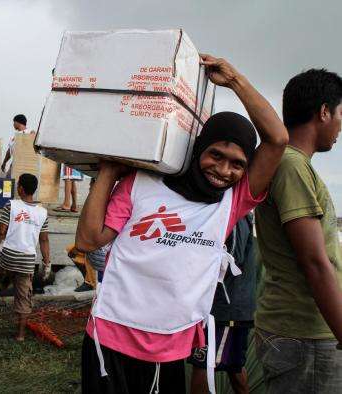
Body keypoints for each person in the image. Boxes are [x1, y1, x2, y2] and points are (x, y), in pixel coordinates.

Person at [76, 54, 288, 394]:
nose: (224, 171)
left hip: (171, 349)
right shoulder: (142, 184)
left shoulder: (232, 202)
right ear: (200, 147)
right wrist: (109, 173)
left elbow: (277, 140)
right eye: (216, 155)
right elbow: (88, 240)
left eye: (237, 164)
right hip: (111, 336)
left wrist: (235, 80)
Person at [254, 69, 342, 393]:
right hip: (306, 336)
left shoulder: (293, 164)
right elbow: (314, 262)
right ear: (323, 112)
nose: (340, 127)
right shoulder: (292, 166)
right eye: (341, 114)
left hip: (303, 335)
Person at [189, 214, 256, 394]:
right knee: (233, 366)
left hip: (225, 309)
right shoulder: (233, 215)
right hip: (224, 307)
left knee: (203, 364)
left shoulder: (235, 216)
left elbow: (233, 257)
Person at [0, 173, 51, 341]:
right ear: (34, 190)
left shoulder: (11, 206)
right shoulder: (42, 212)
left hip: (9, 255)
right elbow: (44, 239)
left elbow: (1, 231)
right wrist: (47, 262)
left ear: (20, 188)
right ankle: (20, 335)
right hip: (27, 260)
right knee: (23, 296)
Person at [1, 114, 35, 178]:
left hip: (25, 164)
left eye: (14, 122)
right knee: (8, 180)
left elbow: (33, 144)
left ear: (17, 122)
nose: (13, 124)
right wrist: (4, 162)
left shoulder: (30, 132)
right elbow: (9, 152)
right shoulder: (14, 137)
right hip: (15, 163)